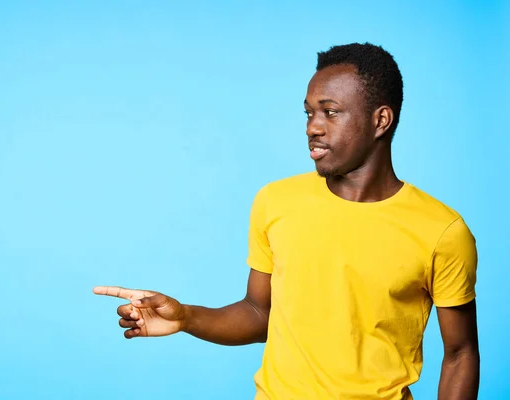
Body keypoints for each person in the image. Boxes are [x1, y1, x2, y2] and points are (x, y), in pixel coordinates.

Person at [93, 43, 479, 400]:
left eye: (330, 112)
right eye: (309, 112)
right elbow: (259, 313)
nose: (313, 126)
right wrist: (185, 317)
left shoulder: (441, 231)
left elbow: (460, 353)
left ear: (380, 121)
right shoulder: (276, 201)